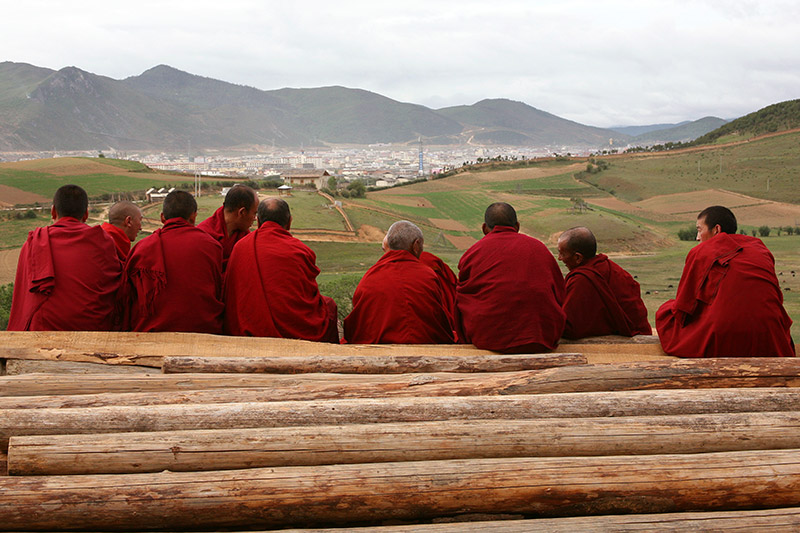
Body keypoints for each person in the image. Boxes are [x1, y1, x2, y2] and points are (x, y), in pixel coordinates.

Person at [656, 205, 794, 357]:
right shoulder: (760, 248)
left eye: (699, 230)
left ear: (716, 230)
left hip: (723, 334)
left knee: (665, 313)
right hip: (770, 332)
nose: (697, 237)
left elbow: (683, 305)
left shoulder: (701, 251)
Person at [8, 184, 122, 331]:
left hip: (43, 332)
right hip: (92, 330)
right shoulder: (103, 240)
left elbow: (23, 298)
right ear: (86, 214)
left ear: (53, 211)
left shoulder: (34, 243)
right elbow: (115, 286)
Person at [456, 202, 566, 353]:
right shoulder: (539, 248)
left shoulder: (473, 253)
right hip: (541, 335)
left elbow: (463, 297)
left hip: (489, 338)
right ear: (517, 226)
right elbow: (560, 292)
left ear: (484, 228)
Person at [224, 197, 338, 342]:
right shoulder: (301, 251)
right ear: (289, 222)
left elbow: (231, 294)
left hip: (249, 331)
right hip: (296, 332)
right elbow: (309, 296)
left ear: (258, 222)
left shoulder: (241, 247)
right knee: (329, 307)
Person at [121, 190, 224, 333]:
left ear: (162, 217)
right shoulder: (211, 246)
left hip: (149, 335)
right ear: (193, 217)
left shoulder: (141, 248)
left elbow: (126, 299)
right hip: (201, 331)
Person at [344, 221, 454, 344]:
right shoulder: (427, 275)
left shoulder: (369, 277)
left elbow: (357, 327)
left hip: (379, 353)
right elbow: (439, 323)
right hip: (423, 348)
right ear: (416, 245)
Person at [557, 226, 651, 339]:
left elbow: (570, 327)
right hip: (641, 332)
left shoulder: (581, 279)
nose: (559, 258)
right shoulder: (611, 267)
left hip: (624, 342)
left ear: (578, 258)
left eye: (562, 254)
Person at [197, 184, 258, 271]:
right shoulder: (204, 235)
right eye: (254, 213)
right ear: (242, 212)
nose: (255, 218)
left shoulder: (244, 235)